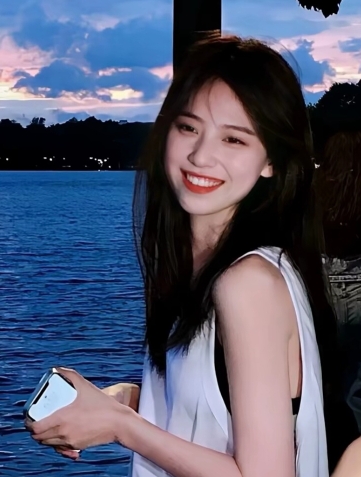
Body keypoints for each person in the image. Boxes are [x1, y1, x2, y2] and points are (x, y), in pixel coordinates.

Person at [24, 35, 342, 477]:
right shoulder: (205, 267)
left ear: (271, 160)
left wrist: (121, 426)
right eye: (189, 128)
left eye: (233, 139)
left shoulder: (248, 283)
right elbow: (219, 413)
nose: (200, 155)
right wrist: (126, 402)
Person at [314, 124, 361, 436]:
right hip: (359, 282)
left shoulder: (314, 189)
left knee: (322, 371)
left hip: (321, 283)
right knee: (356, 378)